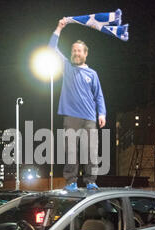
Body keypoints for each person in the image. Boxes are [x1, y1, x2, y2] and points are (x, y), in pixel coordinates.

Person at [49, 17, 106, 192]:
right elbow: (51, 48)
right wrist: (59, 28)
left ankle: (90, 181)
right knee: (71, 151)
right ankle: (71, 181)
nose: (76, 53)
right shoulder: (67, 67)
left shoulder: (92, 74)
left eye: (79, 50)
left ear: (85, 53)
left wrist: (102, 113)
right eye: (74, 50)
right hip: (71, 117)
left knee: (91, 151)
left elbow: (99, 96)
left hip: (89, 118)